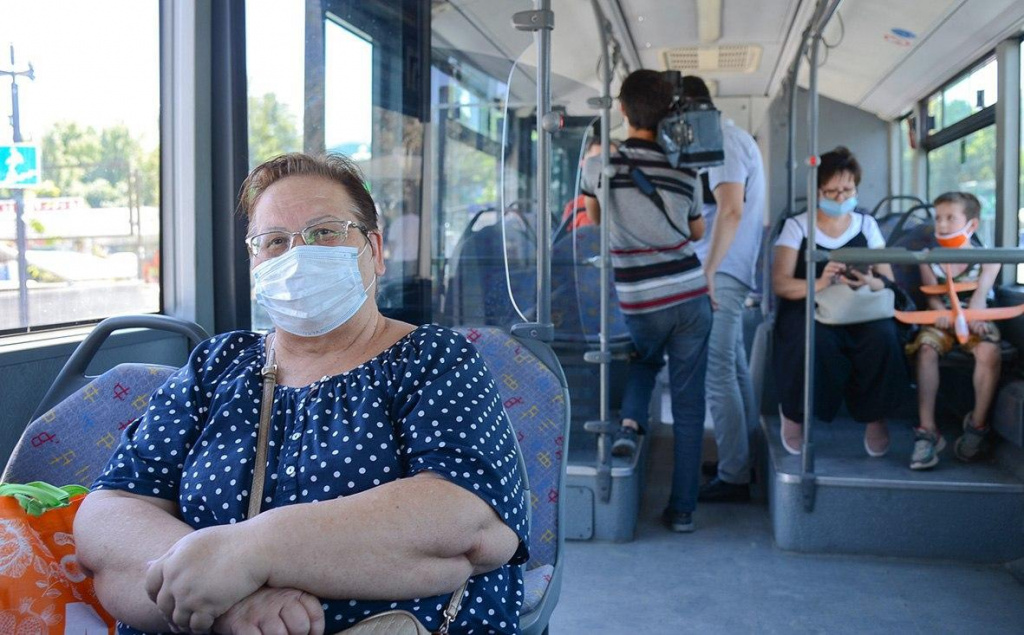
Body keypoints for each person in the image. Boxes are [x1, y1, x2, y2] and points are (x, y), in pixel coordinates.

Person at [74, 153, 529, 635]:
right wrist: (234, 608)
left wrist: (257, 550)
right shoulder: (217, 367)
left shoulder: (433, 360)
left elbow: (467, 521)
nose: (297, 255)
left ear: (374, 250)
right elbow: (110, 516)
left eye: (325, 232)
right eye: (274, 242)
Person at [581, 69, 711, 533]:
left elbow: (595, 219)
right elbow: (697, 231)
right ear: (669, 112)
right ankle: (683, 511)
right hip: (691, 295)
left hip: (641, 301)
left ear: (620, 109)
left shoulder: (600, 166)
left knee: (643, 362)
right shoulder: (685, 169)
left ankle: (630, 426)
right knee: (691, 404)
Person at [772, 146, 908, 457]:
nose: (839, 198)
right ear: (817, 191)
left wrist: (869, 281)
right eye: (831, 191)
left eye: (846, 190)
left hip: (858, 305)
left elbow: (887, 280)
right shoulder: (798, 226)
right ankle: (794, 412)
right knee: (814, 339)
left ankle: (875, 415)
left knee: (883, 336)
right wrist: (820, 282)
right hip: (809, 302)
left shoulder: (867, 225)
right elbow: (781, 282)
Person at [685, 75, 764, 503]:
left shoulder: (725, 144)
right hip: (730, 268)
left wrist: (709, 270)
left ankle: (735, 476)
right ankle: (741, 456)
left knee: (715, 373)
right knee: (733, 366)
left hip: (723, 271)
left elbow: (731, 210)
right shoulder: (730, 140)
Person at [905, 191, 1001, 470]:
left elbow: (982, 296)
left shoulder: (987, 259)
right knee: (925, 349)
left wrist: (978, 313)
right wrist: (940, 313)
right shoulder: (931, 258)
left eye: (950, 218)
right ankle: (927, 430)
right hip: (943, 320)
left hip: (976, 318)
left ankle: (977, 426)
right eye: (938, 218)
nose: (942, 224)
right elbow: (932, 297)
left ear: (971, 225)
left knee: (989, 351)